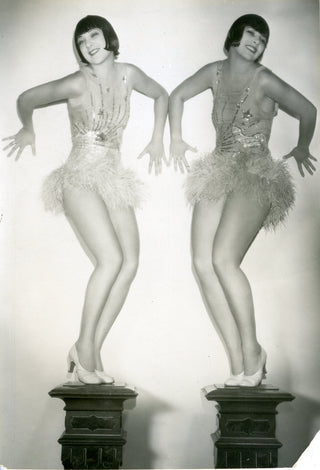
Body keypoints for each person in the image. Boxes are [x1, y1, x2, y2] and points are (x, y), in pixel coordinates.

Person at [3, 15, 168, 385]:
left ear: (108, 38)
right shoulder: (77, 82)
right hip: (78, 177)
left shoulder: (129, 73)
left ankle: (86, 348)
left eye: (93, 35)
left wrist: (157, 137)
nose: (89, 44)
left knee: (130, 262)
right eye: (81, 41)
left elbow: (160, 94)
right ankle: (86, 351)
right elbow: (26, 98)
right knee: (110, 259)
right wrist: (27, 128)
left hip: (112, 177)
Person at [169, 14, 317, 387]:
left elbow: (309, 110)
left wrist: (302, 146)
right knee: (203, 264)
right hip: (219, 167)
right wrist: (174, 137)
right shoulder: (214, 73)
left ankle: (253, 354)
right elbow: (177, 96)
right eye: (252, 33)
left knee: (223, 259)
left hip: (254, 172)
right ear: (235, 35)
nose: (257, 42)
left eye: (263, 39)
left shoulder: (264, 79)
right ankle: (238, 365)